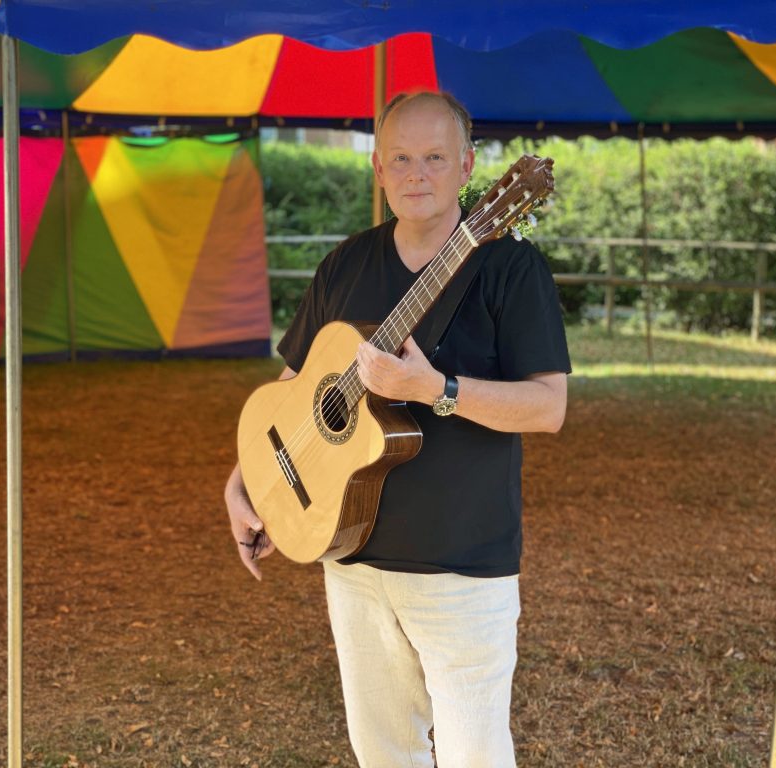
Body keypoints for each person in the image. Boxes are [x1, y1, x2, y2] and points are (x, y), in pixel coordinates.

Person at [224, 90, 571, 768]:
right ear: (378, 168)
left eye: (436, 158)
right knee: (382, 752)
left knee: (474, 757)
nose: (417, 174)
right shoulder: (346, 263)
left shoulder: (510, 267)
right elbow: (294, 390)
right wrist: (245, 483)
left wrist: (436, 390)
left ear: (468, 166)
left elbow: (547, 407)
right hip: (352, 558)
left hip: (462, 566)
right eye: (402, 159)